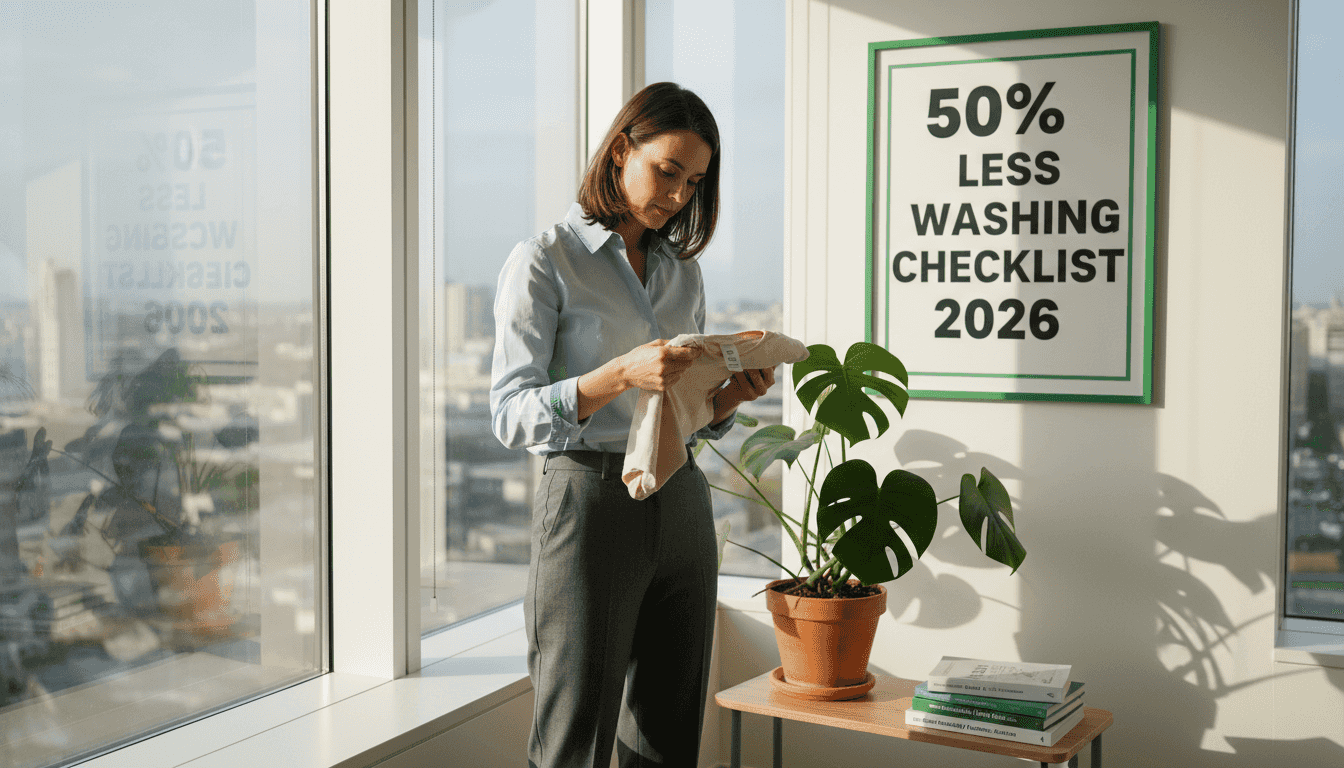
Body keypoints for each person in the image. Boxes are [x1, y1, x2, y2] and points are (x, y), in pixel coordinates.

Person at [490, 82, 775, 768]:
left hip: (682, 502)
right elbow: (509, 414)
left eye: (695, 181)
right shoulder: (543, 261)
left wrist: (728, 398)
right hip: (588, 504)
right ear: (622, 150)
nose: (678, 195)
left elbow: (682, 415)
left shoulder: (684, 275)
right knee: (573, 737)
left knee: (667, 735)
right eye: (667, 171)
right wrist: (619, 374)